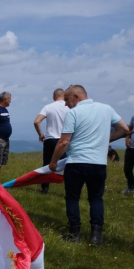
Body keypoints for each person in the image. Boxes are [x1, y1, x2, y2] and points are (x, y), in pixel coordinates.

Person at [49, 85, 128, 246]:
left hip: (76, 163)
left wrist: (53, 161)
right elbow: (124, 129)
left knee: (72, 198)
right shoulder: (106, 109)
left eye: (67, 99)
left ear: (76, 97)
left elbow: (64, 141)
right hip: (98, 164)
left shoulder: (74, 113)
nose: (65, 104)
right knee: (96, 199)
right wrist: (105, 139)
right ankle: (96, 236)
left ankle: (74, 233)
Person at [33, 88, 69, 193]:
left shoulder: (48, 107)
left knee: (47, 164)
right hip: (64, 139)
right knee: (67, 166)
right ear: (64, 96)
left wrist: (40, 134)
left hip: (50, 140)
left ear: (54, 97)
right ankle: (69, 190)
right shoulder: (69, 107)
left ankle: (44, 188)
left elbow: (36, 121)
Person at [121, 116, 134, 194]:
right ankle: (131, 187)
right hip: (131, 147)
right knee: (127, 168)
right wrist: (127, 139)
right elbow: (129, 128)